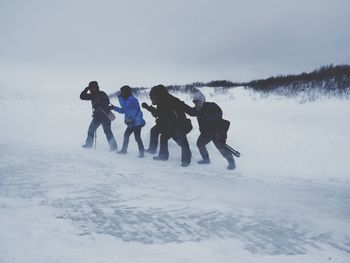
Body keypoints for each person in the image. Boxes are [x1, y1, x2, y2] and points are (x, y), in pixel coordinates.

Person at [142, 85, 192, 167]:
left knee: (182, 142)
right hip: (168, 124)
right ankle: (159, 154)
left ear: (159, 95)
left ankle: (186, 159)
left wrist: (199, 110)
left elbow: (189, 110)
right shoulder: (161, 102)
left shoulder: (174, 101)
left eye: (153, 97)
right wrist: (148, 107)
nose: (152, 99)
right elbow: (159, 113)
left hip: (178, 125)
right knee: (157, 132)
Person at [186, 91, 236, 170]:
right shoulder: (197, 110)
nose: (196, 105)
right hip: (205, 133)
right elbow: (190, 111)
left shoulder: (211, 106)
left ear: (202, 101)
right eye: (195, 103)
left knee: (220, 147)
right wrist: (180, 105)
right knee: (200, 143)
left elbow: (219, 112)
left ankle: (231, 163)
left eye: (198, 103)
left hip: (216, 132)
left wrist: (211, 118)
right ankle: (206, 159)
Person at [80, 81, 118, 151]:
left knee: (107, 131)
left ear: (97, 87)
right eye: (91, 88)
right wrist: (86, 89)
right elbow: (82, 97)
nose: (92, 89)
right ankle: (89, 144)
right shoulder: (92, 95)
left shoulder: (102, 94)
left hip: (105, 116)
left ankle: (113, 147)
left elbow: (107, 102)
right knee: (91, 130)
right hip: (97, 116)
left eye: (93, 87)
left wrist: (99, 105)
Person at [110, 85, 146, 158]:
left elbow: (125, 108)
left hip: (137, 122)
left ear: (126, 92)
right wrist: (114, 108)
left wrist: (120, 98)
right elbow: (123, 111)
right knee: (126, 135)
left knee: (137, 137)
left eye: (122, 92)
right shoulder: (127, 100)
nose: (121, 93)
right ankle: (124, 150)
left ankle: (141, 152)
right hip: (132, 123)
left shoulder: (132, 100)